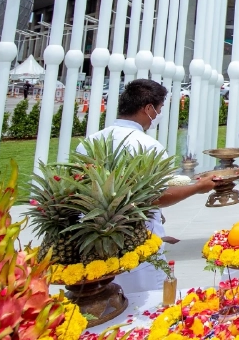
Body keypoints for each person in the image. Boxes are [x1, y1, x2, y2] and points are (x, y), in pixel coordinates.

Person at [78, 79, 219, 293]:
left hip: (95, 242)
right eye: (159, 109)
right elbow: (158, 196)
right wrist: (197, 188)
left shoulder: (90, 141)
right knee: (142, 302)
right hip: (138, 241)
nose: (159, 114)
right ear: (148, 109)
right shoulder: (147, 145)